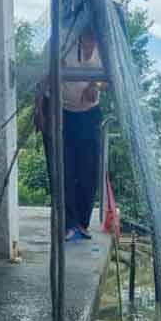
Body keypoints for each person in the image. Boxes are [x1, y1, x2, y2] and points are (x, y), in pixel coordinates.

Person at [34, 23, 104, 242]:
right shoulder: (62, 39)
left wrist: (97, 85)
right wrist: (38, 110)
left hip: (88, 112)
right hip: (57, 108)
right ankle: (67, 225)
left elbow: (110, 77)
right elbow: (42, 75)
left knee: (88, 169)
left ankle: (81, 224)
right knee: (61, 168)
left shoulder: (106, 43)